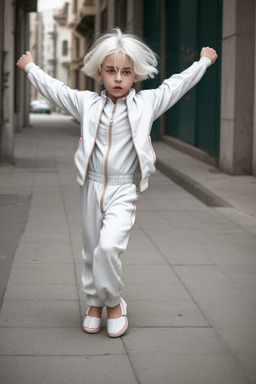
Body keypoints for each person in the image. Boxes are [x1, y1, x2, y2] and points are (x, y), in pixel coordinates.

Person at [16, 28, 217, 338]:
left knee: (108, 247)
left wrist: (202, 62)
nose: (118, 78)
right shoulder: (87, 104)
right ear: (100, 73)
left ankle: (113, 304)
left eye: (126, 71)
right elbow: (56, 89)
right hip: (91, 187)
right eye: (111, 71)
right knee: (91, 250)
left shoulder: (146, 104)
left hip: (123, 189)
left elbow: (176, 85)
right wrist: (31, 68)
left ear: (135, 75)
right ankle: (93, 303)